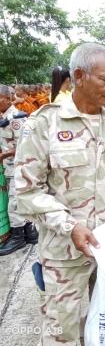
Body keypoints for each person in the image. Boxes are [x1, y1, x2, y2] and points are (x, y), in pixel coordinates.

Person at [14, 43, 105, 345]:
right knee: (62, 333)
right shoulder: (44, 123)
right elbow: (26, 190)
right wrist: (70, 226)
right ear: (80, 76)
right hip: (64, 255)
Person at [0, 85, 38, 256]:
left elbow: (25, 145)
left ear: (8, 98)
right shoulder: (5, 117)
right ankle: (30, 233)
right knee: (19, 200)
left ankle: (18, 238)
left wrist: (3, 155)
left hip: (17, 166)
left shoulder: (16, 118)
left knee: (14, 203)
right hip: (10, 166)